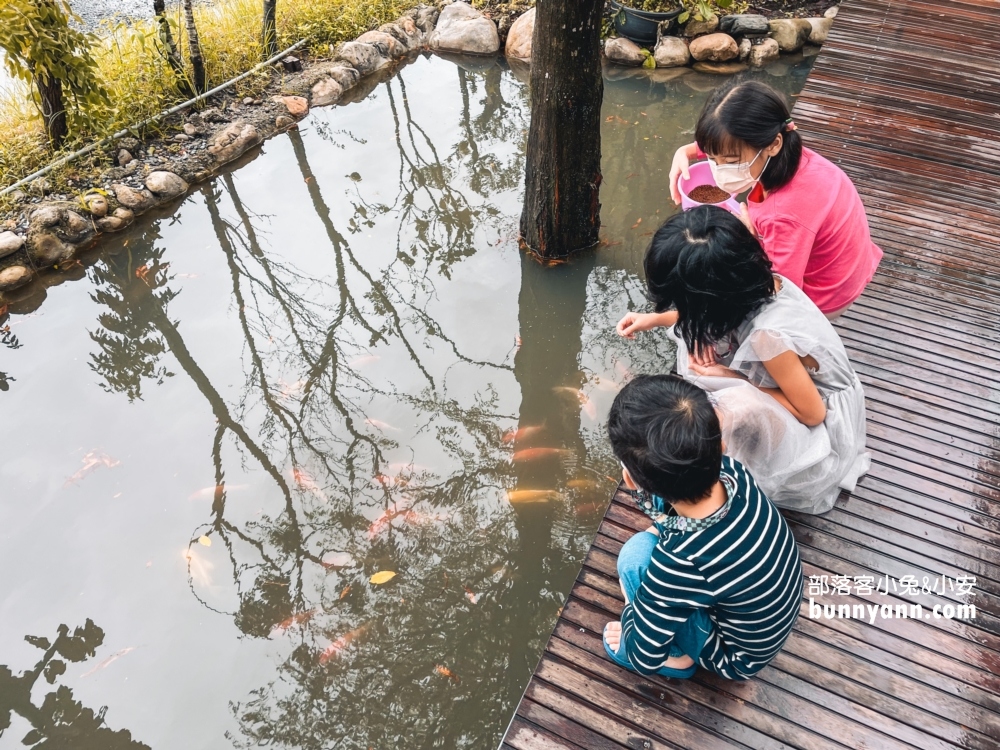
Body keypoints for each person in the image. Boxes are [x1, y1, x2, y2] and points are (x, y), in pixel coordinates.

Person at [616, 206, 870, 514]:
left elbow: (813, 413)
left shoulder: (768, 338)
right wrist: (655, 319)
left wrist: (734, 378)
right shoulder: (757, 282)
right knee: (700, 350)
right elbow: (708, 306)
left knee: (729, 399)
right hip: (793, 382)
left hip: (821, 424)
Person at [603, 374, 802, 680]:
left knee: (633, 560)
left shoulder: (682, 564)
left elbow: (643, 658)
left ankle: (679, 657)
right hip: (769, 609)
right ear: (720, 445)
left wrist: (635, 618)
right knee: (656, 534)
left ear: (630, 480)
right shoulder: (733, 472)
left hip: (737, 657)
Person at [668, 80, 882, 319]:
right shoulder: (794, 155)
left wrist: (750, 241)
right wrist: (686, 151)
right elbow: (728, 142)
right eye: (710, 157)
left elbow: (781, 289)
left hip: (825, 298)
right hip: (848, 267)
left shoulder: (782, 215)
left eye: (729, 161)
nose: (718, 171)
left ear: (773, 144)